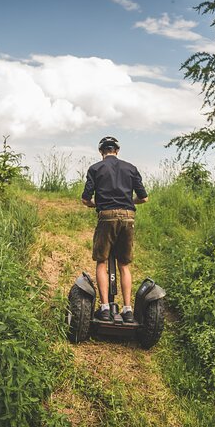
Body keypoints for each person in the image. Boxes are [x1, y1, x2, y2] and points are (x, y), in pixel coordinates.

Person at [81, 136, 148, 323]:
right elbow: (144, 198)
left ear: (101, 152)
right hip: (128, 217)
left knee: (102, 261)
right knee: (124, 265)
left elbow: (85, 199)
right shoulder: (131, 168)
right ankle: (127, 310)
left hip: (107, 217)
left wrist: (97, 204)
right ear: (117, 151)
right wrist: (128, 202)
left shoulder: (95, 169)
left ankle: (104, 308)